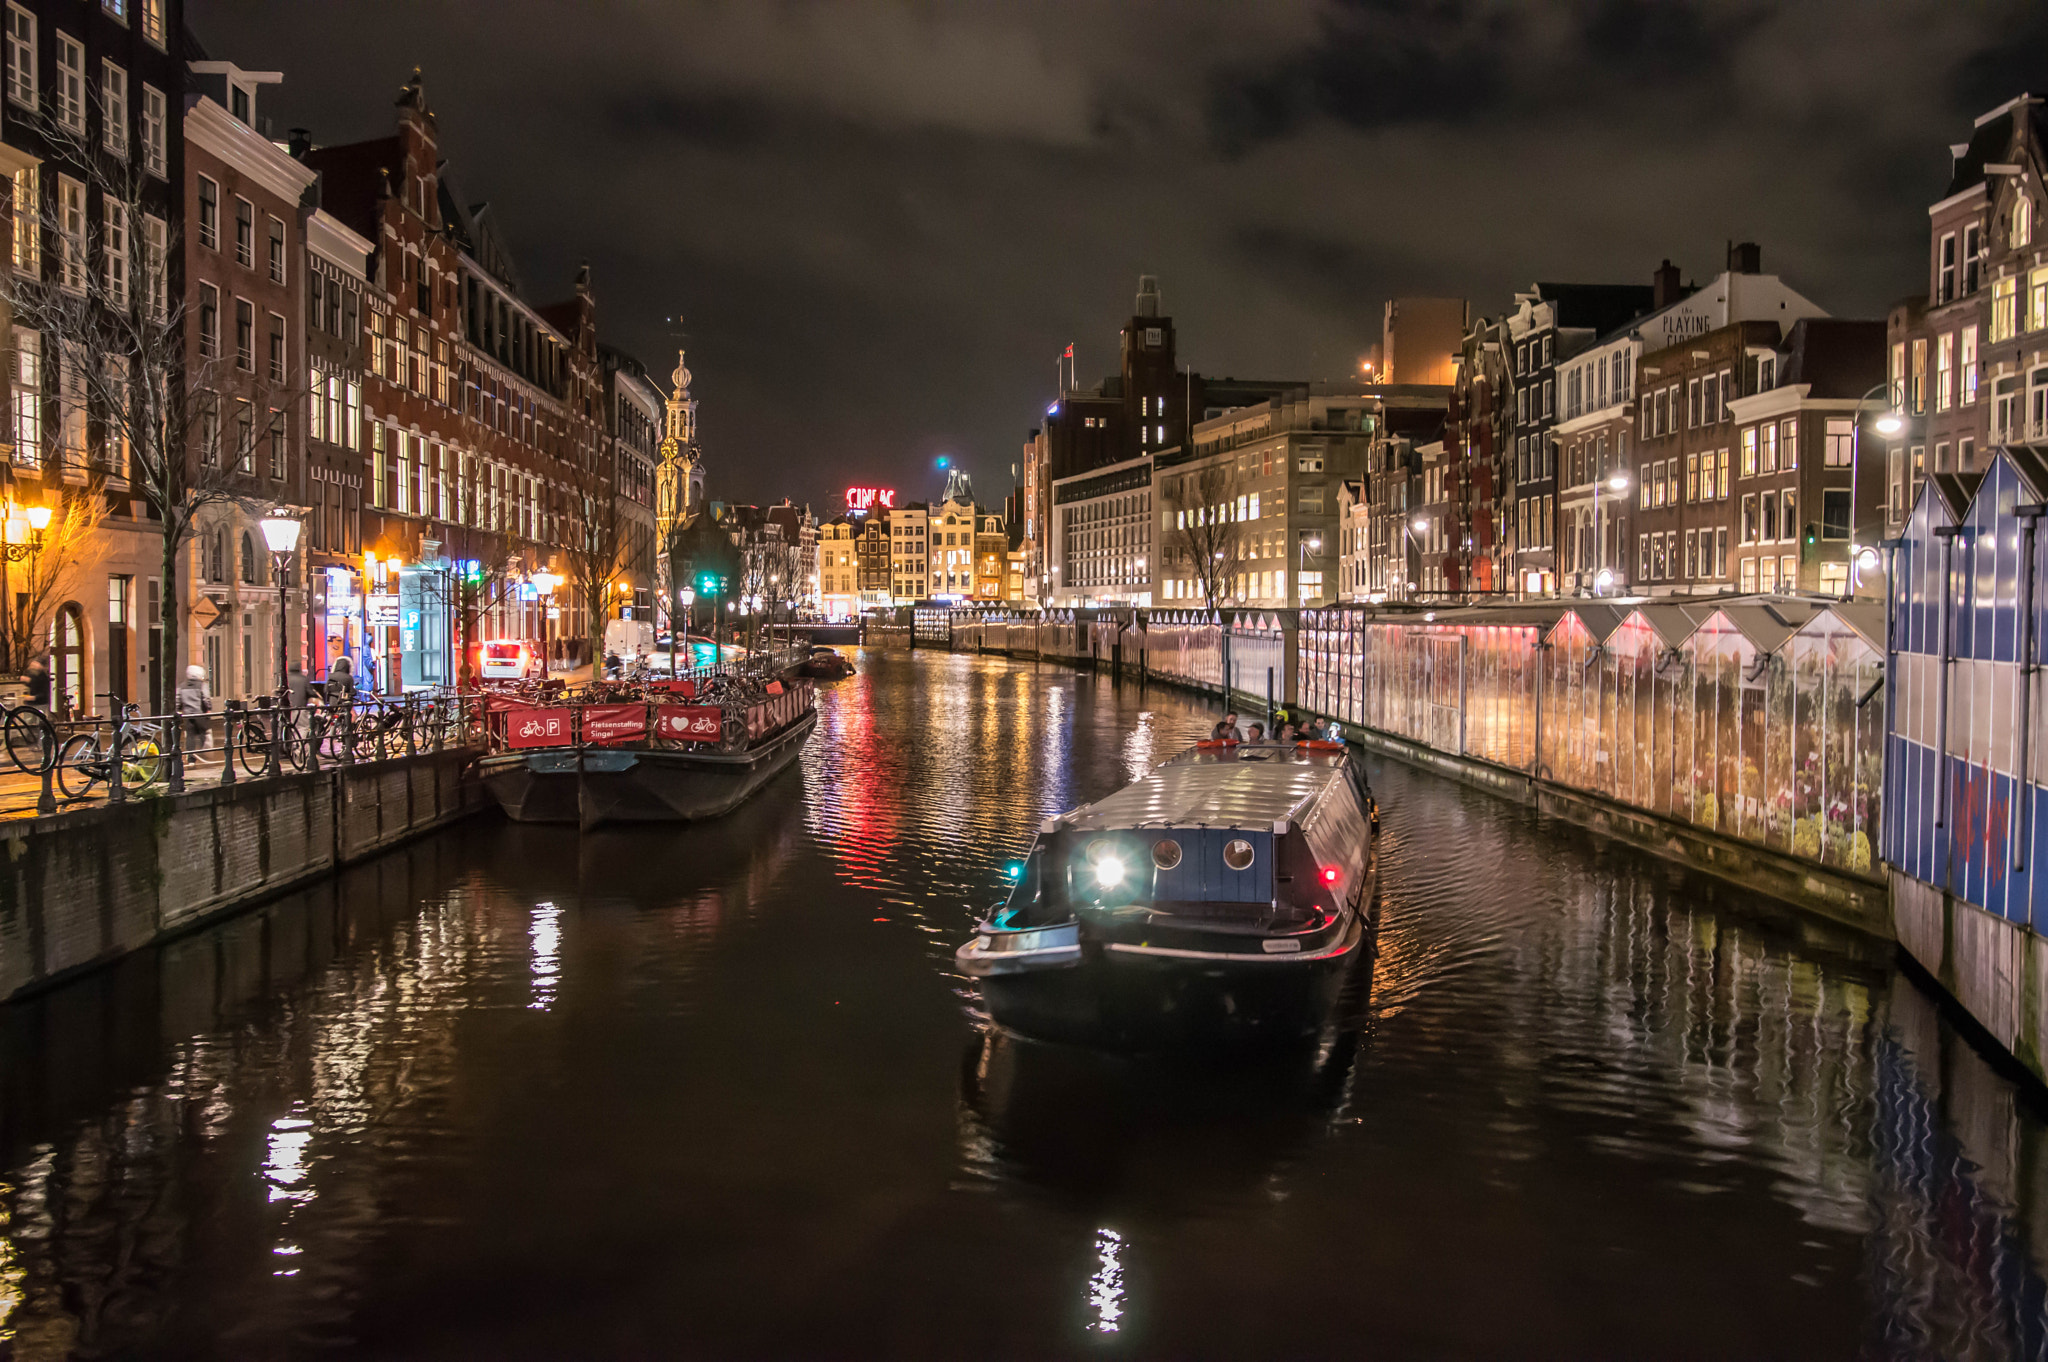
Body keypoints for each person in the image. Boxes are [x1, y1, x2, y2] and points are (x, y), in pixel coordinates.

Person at [176, 664, 212, 764]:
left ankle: (191, 757)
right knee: (203, 732)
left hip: (188, 714)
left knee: (190, 736)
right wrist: (208, 708)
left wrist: (179, 709)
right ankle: (204, 752)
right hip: (199, 713)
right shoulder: (201, 685)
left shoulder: (182, 686)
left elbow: (178, 699)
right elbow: (205, 698)